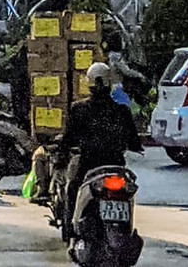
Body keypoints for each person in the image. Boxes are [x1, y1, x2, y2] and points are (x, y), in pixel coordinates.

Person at [54, 61, 142, 241]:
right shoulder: (122, 111)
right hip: (116, 166)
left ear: (90, 84)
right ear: (109, 83)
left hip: (89, 166)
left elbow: (68, 138)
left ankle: (71, 228)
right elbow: (134, 141)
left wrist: (61, 153)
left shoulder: (79, 109)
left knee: (72, 188)